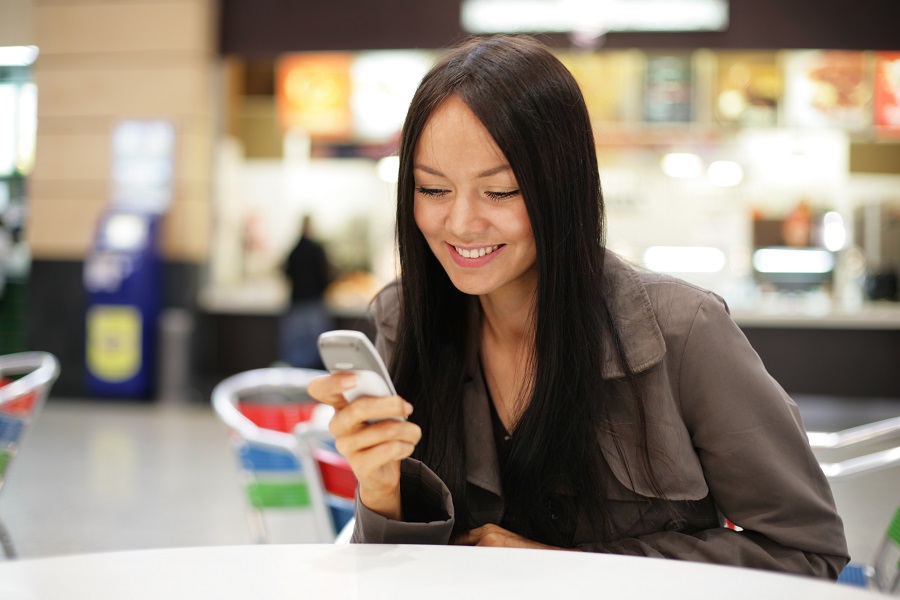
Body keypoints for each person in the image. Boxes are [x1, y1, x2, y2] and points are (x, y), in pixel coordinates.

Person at [308, 35, 849, 578]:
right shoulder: (403, 322)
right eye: (433, 190)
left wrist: (568, 569)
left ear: (561, 187)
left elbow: (806, 554)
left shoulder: (683, 333)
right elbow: (390, 574)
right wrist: (380, 489)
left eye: (500, 192)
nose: (462, 223)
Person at [281, 215, 332, 368]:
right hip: (314, 303)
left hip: (297, 303)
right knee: (318, 349)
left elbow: (286, 272)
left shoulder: (294, 250)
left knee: (295, 351)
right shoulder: (317, 249)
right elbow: (326, 275)